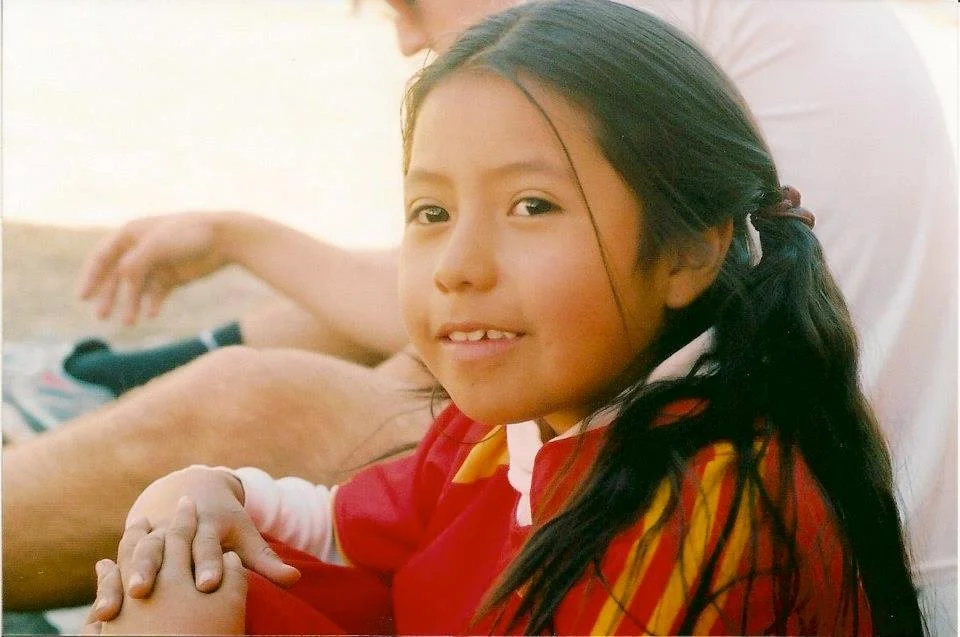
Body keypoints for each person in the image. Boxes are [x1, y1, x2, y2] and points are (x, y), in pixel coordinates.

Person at [3, 0, 955, 633]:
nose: (458, 266)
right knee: (190, 560)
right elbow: (353, 521)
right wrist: (208, 491)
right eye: (430, 213)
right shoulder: (508, 423)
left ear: (689, 249)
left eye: (532, 207)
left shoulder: (704, 514)